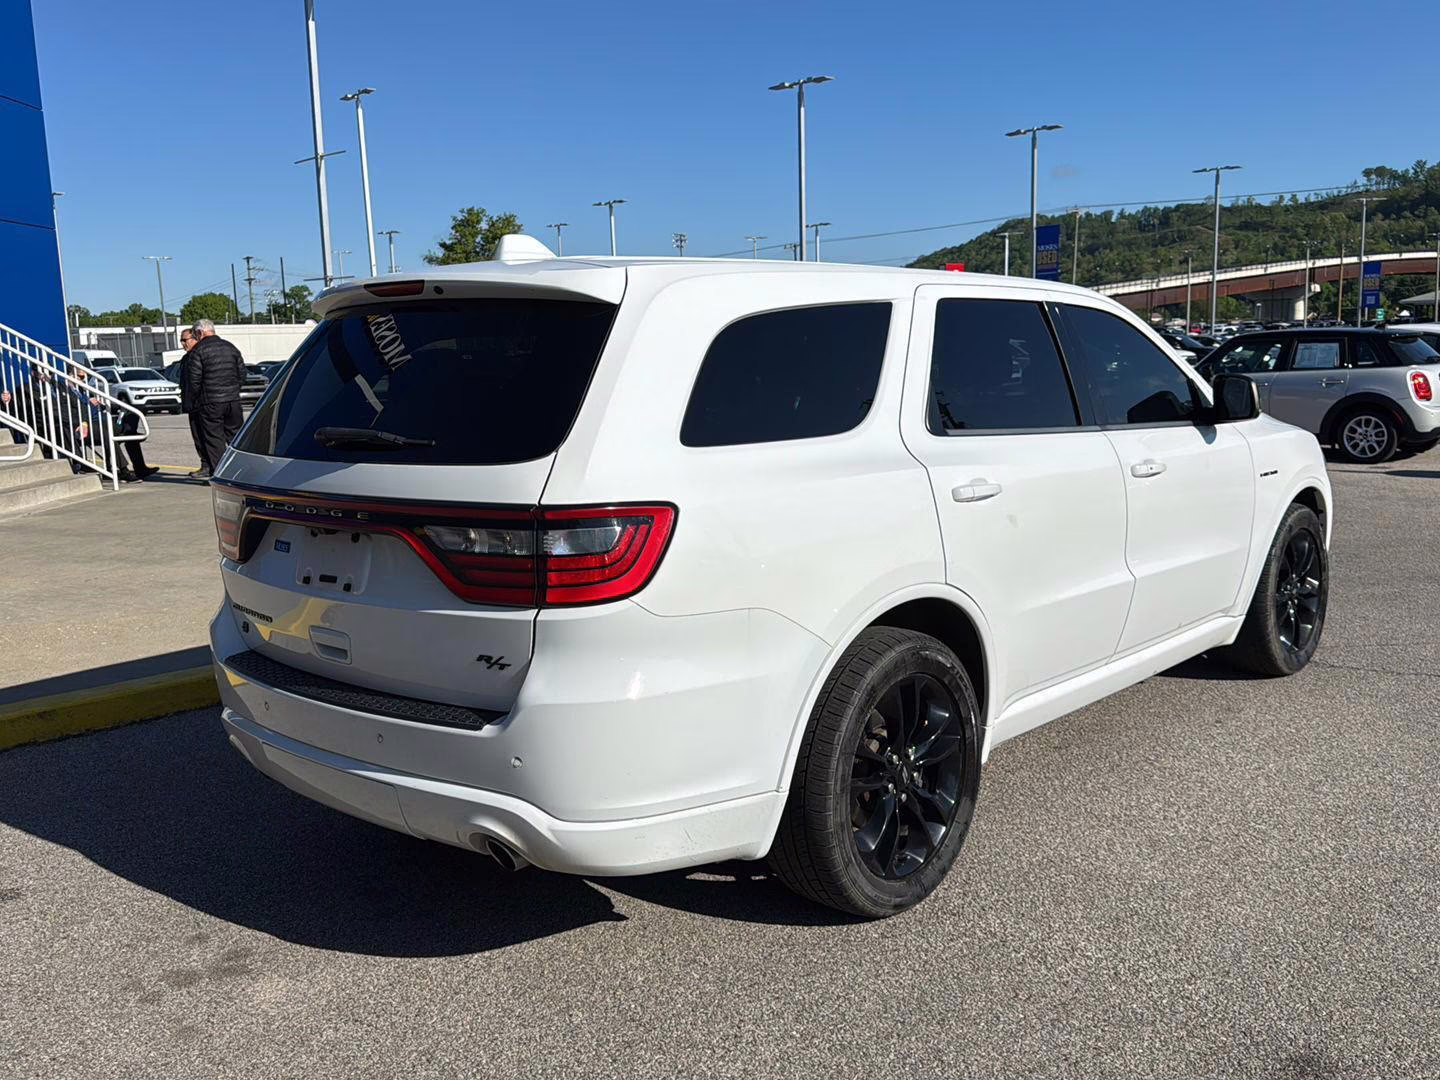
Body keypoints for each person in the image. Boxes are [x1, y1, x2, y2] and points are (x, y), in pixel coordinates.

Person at [182, 319, 246, 479]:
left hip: (210, 402)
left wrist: (193, 401)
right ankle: (241, 472)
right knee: (236, 437)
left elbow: (194, 381)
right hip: (233, 401)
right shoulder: (230, 347)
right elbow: (242, 374)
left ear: (199, 333)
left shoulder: (198, 351)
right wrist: (233, 390)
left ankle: (221, 475)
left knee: (214, 440)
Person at [177, 327, 211, 477]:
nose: (183, 343)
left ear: (195, 339)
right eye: (181, 341)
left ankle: (212, 466)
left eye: (186, 340)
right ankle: (205, 465)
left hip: (203, 403)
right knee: (197, 437)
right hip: (191, 404)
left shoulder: (200, 355)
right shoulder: (185, 359)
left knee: (208, 437)